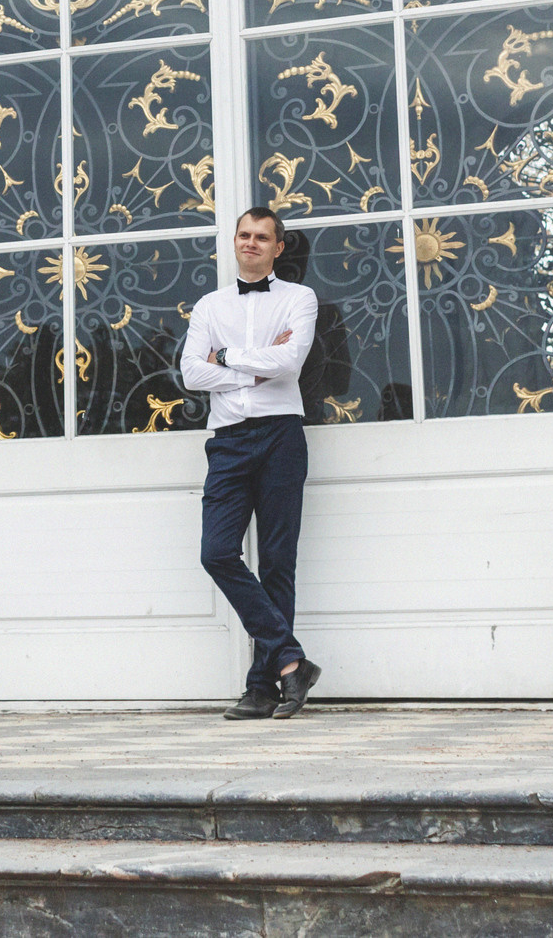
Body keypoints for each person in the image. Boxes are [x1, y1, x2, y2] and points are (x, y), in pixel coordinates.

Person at [180, 206, 321, 720]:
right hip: (228, 441)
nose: (252, 243)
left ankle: (262, 687)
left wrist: (226, 359)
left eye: (263, 237)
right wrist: (251, 368)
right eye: (244, 234)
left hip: (281, 435)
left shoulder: (298, 299)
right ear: (234, 241)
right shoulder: (210, 305)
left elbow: (290, 362)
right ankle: (291, 661)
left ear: (278, 247)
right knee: (216, 551)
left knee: (278, 561)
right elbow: (191, 373)